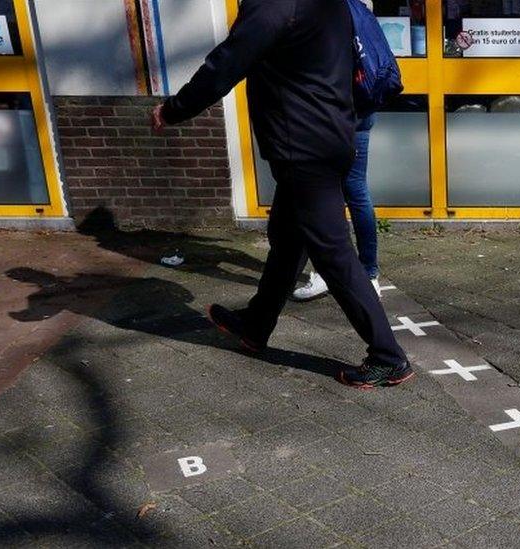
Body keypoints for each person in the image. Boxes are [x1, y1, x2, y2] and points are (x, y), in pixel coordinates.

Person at [151, 0, 413, 388]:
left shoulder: (275, 5)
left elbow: (226, 64)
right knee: (288, 242)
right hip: (328, 135)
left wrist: (174, 110)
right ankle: (256, 325)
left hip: (304, 149)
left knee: (333, 252)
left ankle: (388, 357)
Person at [292, 113, 381, 301]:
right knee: (357, 190)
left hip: (328, 116)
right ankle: (369, 275)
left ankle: (327, 273)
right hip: (360, 114)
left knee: (326, 189)